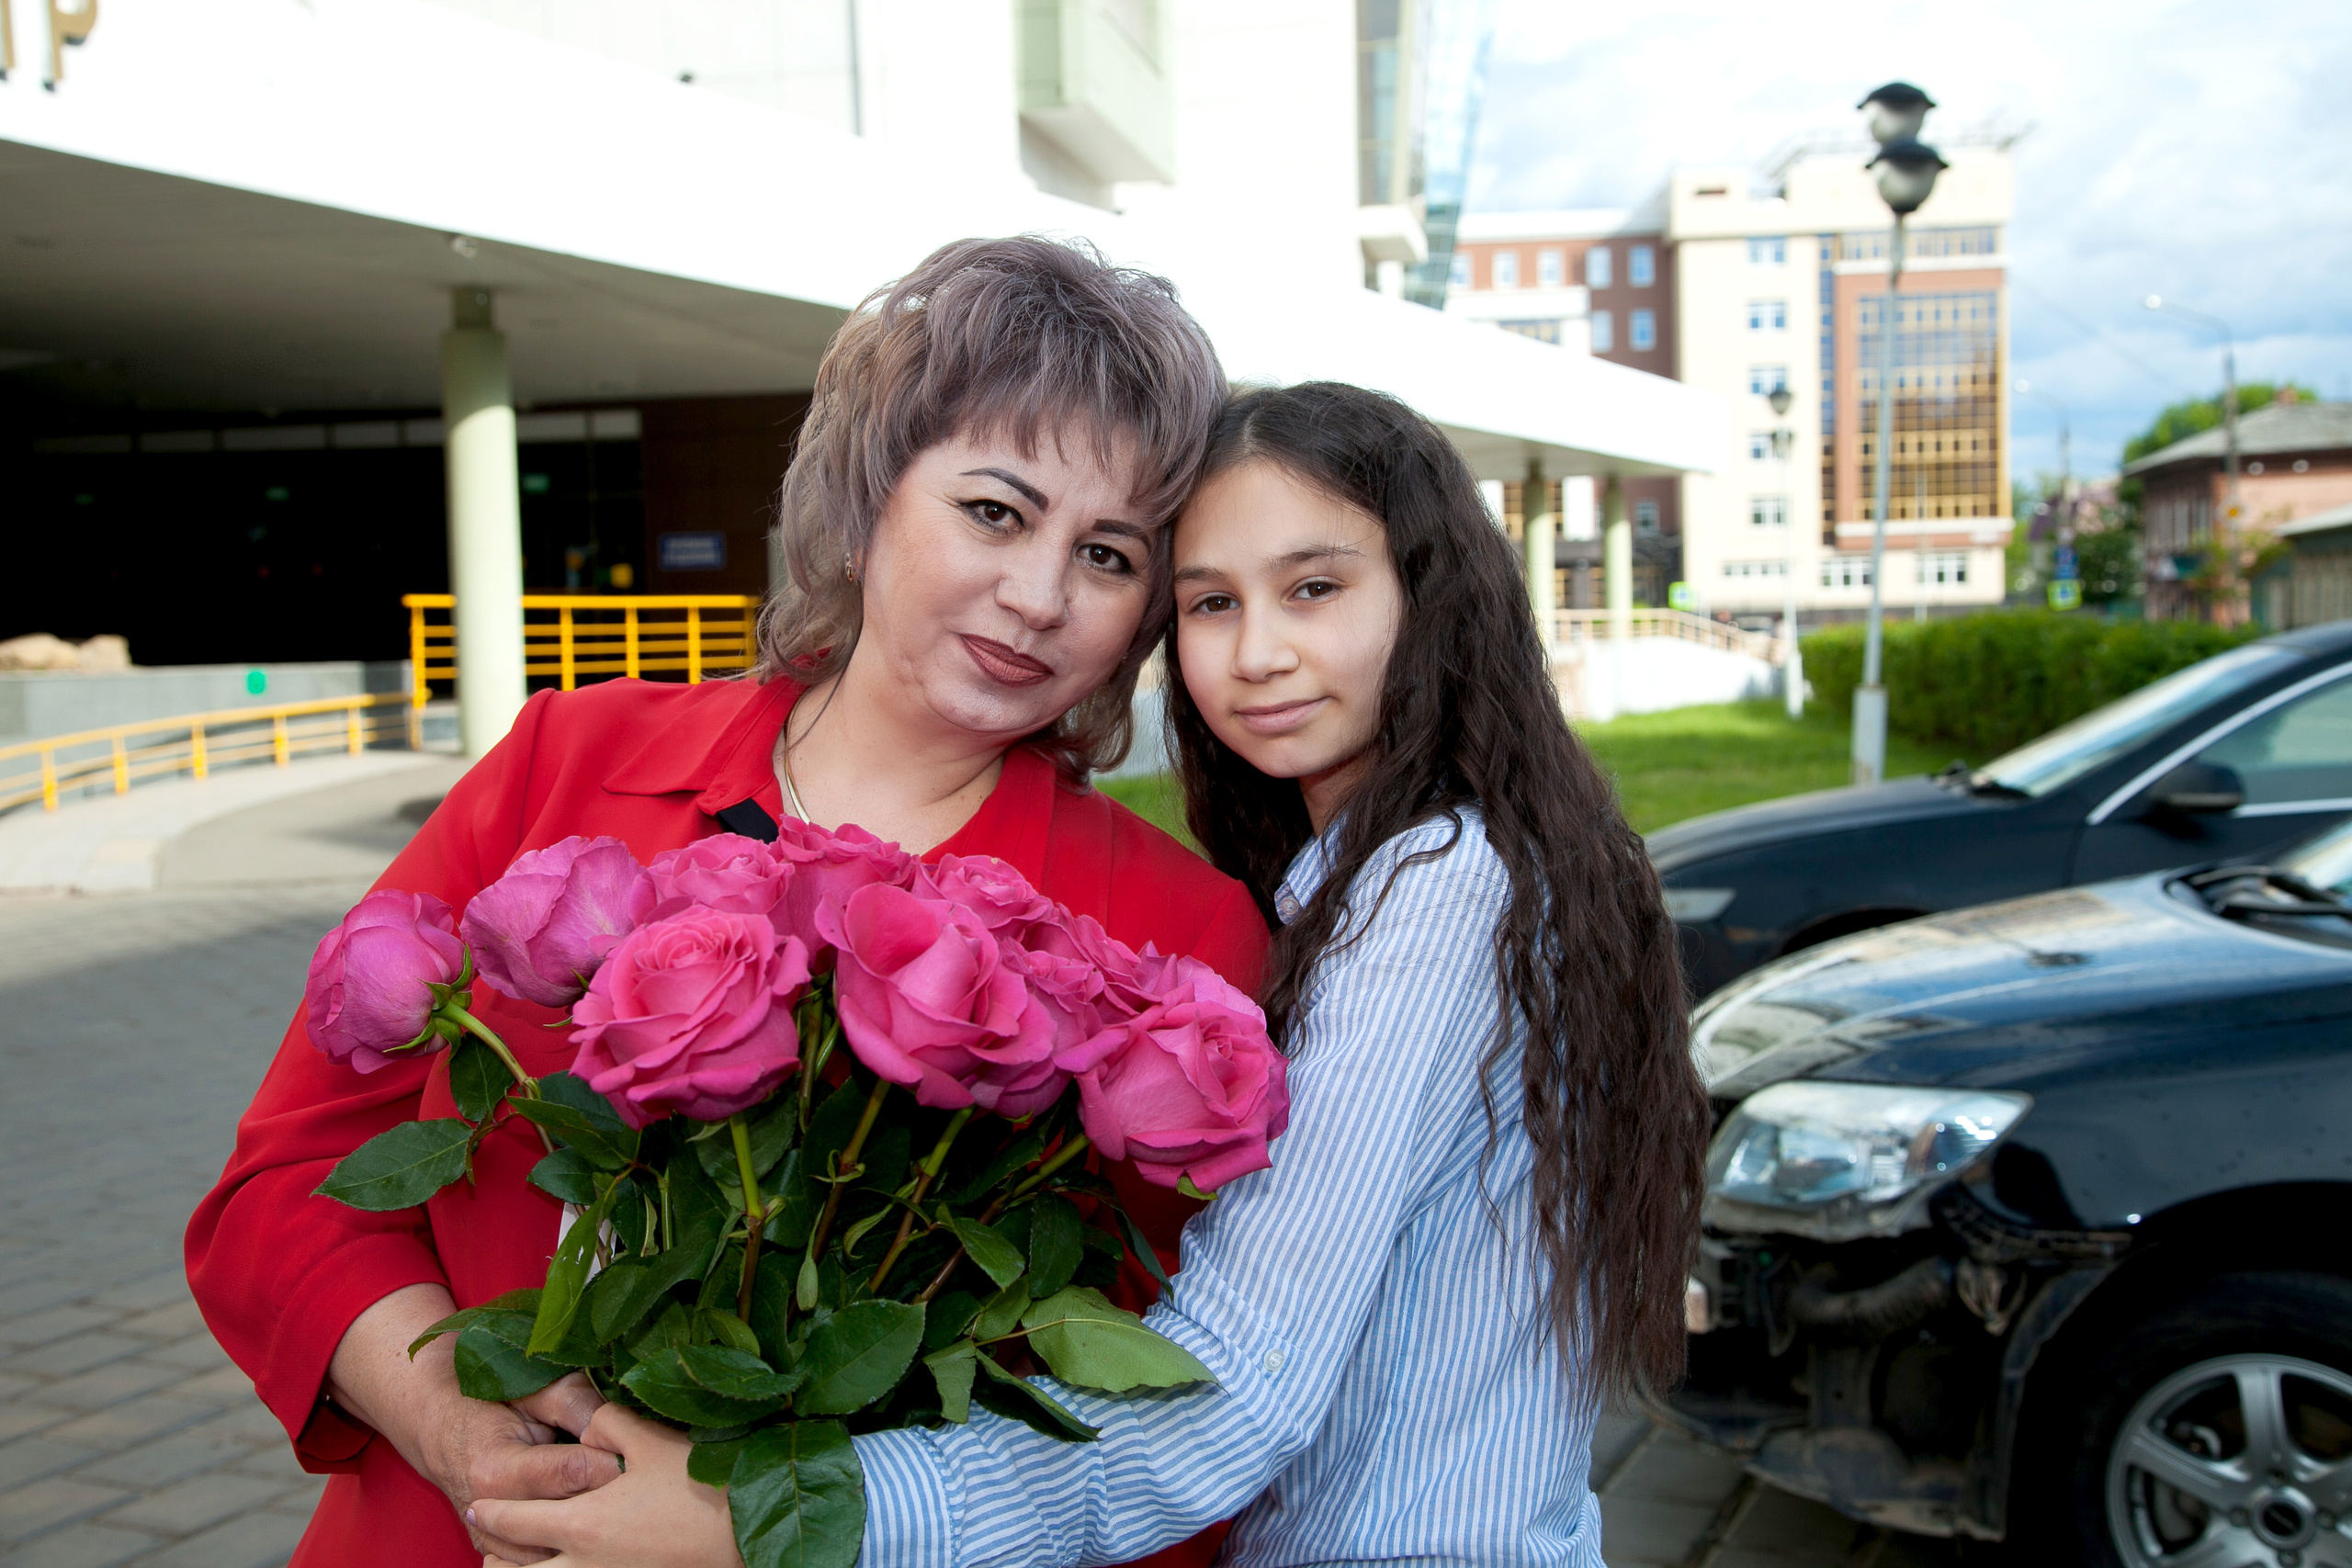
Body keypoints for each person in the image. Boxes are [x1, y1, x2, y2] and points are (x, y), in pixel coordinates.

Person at [469, 381, 1712, 1568]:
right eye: (1211, 604)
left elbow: (1234, 1387)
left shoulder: (1434, 886)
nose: (1259, 653)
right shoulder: (1422, 868)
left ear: (1433, 596)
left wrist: (775, 1522)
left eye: (1315, 588)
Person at [183, 235, 1265, 1568]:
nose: (1038, 597)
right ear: (871, 494)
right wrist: (452, 1421)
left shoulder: (1175, 940)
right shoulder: (566, 765)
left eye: (1108, 556)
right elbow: (287, 1183)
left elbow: (1149, 1410)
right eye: (995, 511)